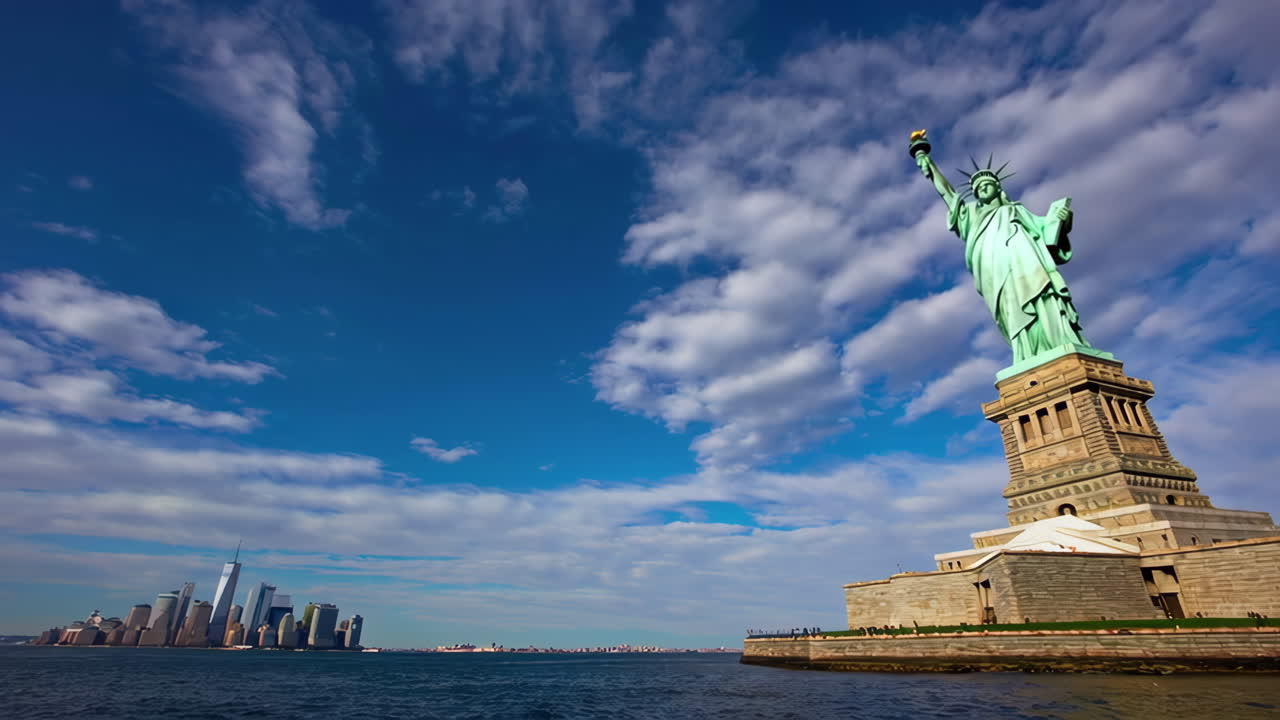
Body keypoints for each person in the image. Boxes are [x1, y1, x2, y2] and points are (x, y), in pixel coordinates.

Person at [913, 138, 1095, 363]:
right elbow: (947, 193)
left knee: (1044, 296)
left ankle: (1060, 340)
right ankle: (1027, 354)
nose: (982, 189)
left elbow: (1048, 234)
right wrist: (925, 160)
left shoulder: (1016, 211)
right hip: (995, 271)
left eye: (987, 184)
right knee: (1011, 308)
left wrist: (1061, 221)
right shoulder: (970, 216)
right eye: (977, 188)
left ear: (998, 187)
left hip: (1026, 262)